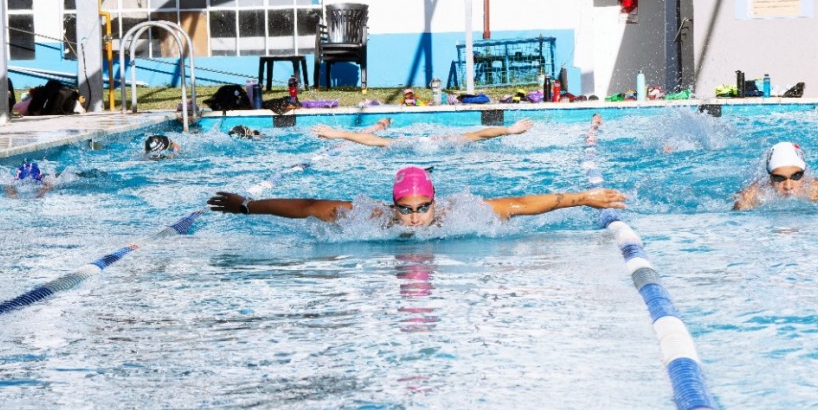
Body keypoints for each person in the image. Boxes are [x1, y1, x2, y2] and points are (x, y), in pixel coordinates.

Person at [207, 164, 626, 228]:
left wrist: (583, 197)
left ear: (434, 202)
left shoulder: (456, 214)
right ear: (393, 206)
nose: (414, 218)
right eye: (406, 210)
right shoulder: (375, 217)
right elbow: (308, 207)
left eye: (422, 208)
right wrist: (246, 206)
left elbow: (520, 204)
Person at [733, 141, 818, 210]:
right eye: (779, 178)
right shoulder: (749, 197)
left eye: (796, 176)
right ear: (770, 177)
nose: (788, 186)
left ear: (804, 174)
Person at [311, 117, 535, 147]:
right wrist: (339, 134)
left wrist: (509, 130)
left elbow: (482, 134)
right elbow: (481, 134)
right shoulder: (405, 143)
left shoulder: (449, 141)